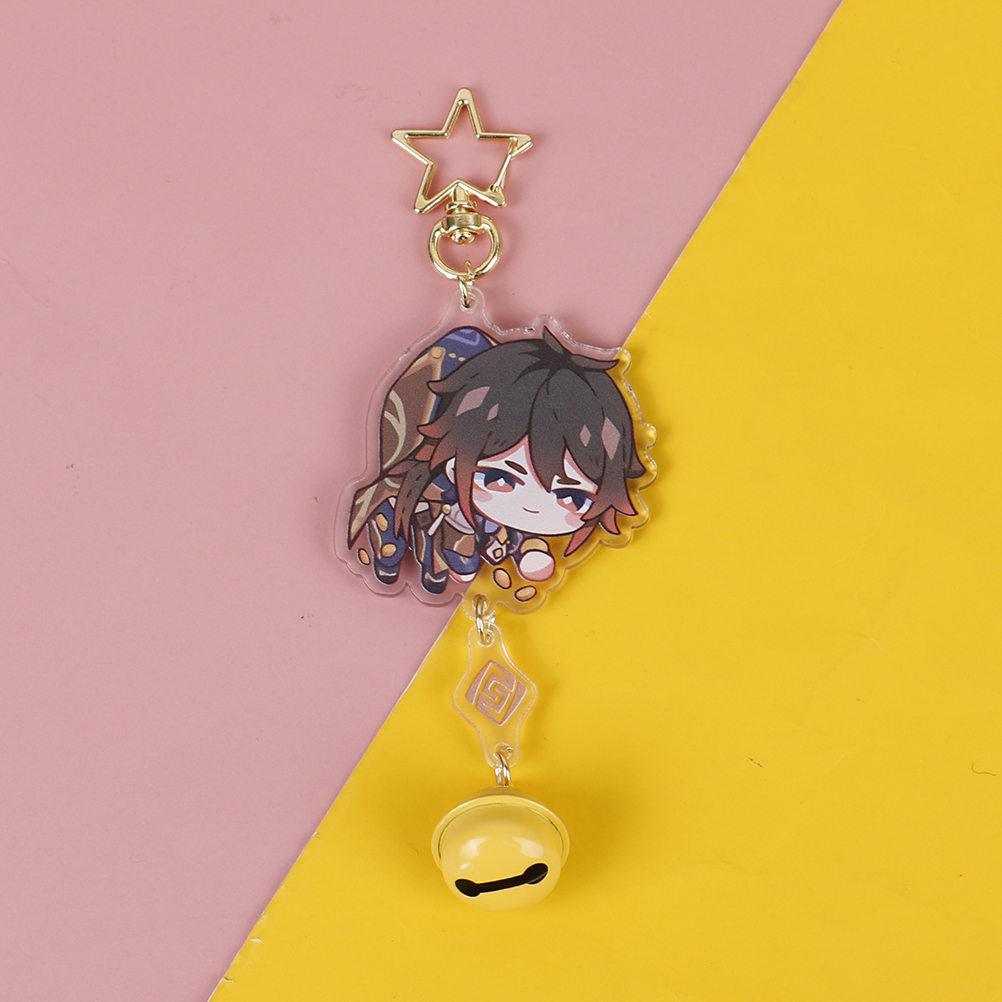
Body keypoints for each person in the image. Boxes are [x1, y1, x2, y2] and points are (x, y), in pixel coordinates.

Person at [348, 325, 646, 596]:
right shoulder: (442, 481)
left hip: (474, 527)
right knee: (443, 522)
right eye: (499, 478)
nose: (532, 506)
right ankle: (403, 536)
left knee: (468, 537)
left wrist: (530, 548)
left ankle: (437, 549)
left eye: (571, 497)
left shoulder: (498, 512)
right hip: (447, 514)